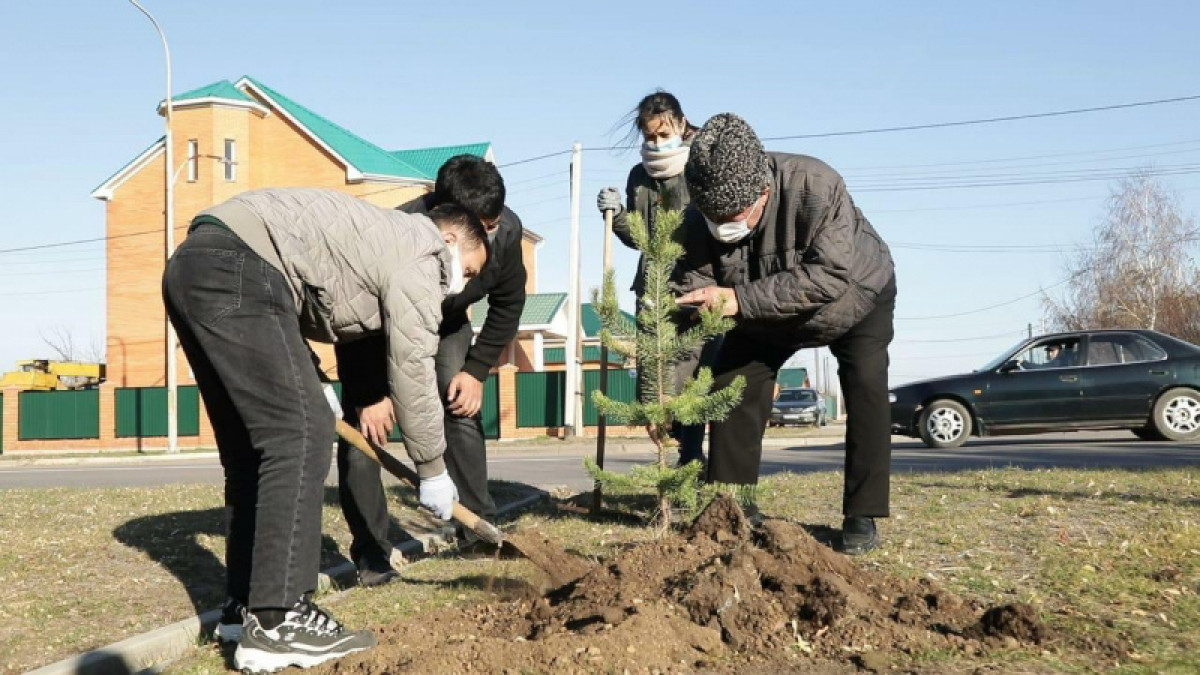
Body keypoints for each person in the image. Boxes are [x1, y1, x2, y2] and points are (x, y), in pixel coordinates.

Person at [162, 187, 489, 672]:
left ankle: (246, 606)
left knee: (253, 451)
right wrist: (433, 468)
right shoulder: (423, 251)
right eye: (470, 271)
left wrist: (313, 378)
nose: (461, 285)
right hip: (239, 267)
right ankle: (278, 619)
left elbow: (293, 299)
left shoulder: (378, 241)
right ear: (451, 239)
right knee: (301, 434)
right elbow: (412, 366)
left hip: (194, 266)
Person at [673, 114, 897, 555]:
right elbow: (686, 301)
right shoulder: (696, 221)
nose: (722, 227)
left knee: (867, 386)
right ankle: (732, 507)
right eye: (713, 217)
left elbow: (828, 276)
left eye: (733, 216)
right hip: (761, 312)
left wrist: (738, 300)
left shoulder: (816, 185)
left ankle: (862, 514)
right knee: (731, 383)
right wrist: (669, 390)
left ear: (763, 190)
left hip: (856, 298)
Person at [336, 154, 528, 574]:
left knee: (459, 404)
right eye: (478, 227)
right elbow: (350, 319)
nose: (485, 238)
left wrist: (475, 370)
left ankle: (478, 532)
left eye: (492, 226)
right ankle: (372, 553)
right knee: (365, 432)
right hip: (373, 330)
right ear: (445, 217)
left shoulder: (507, 232)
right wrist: (369, 394)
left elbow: (509, 303)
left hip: (446, 325)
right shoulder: (396, 230)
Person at [596, 91, 714, 466]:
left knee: (691, 378)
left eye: (664, 134)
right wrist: (617, 215)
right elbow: (640, 236)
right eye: (650, 136)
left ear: (681, 124)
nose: (657, 142)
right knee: (655, 384)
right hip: (651, 289)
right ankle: (676, 461)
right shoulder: (639, 175)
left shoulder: (702, 164)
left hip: (696, 284)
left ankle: (692, 458)